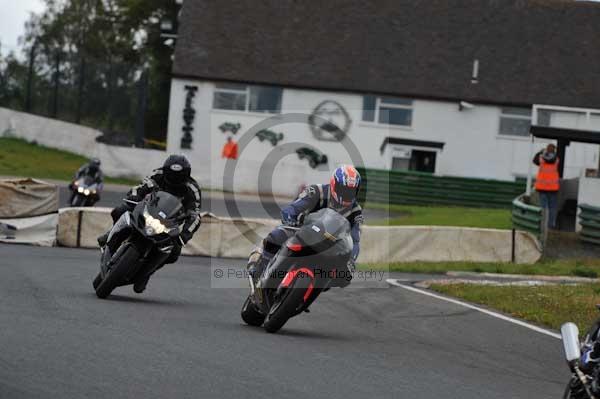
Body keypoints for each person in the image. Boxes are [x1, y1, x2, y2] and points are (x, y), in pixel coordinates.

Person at [97, 154, 202, 293]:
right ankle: (110, 234)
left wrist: (183, 235)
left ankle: (146, 274)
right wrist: (134, 195)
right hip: (148, 210)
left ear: (187, 174)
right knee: (119, 211)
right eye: (172, 174)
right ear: (165, 171)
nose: (175, 178)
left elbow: (195, 216)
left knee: (174, 253)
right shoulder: (158, 174)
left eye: (179, 175)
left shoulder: (192, 190)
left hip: (168, 223)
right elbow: (141, 186)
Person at [246, 165, 363, 287]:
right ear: (334, 184)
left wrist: (351, 260)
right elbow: (292, 208)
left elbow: (355, 240)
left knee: (344, 276)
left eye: (351, 191)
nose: (347, 194)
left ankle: (306, 297)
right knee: (277, 235)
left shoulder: (355, 211)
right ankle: (260, 268)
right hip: (303, 231)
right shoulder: (317, 191)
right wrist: (294, 218)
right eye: (344, 189)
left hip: (328, 245)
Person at [533, 143, 560, 229]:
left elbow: (534, 160)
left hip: (542, 188)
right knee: (553, 208)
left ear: (546, 149)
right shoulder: (556, 159)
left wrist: (540, 152)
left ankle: (542, 225)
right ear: (554, 150)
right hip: (553, 188)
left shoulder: (541, 158)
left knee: (543, 208)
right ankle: (551, 225)